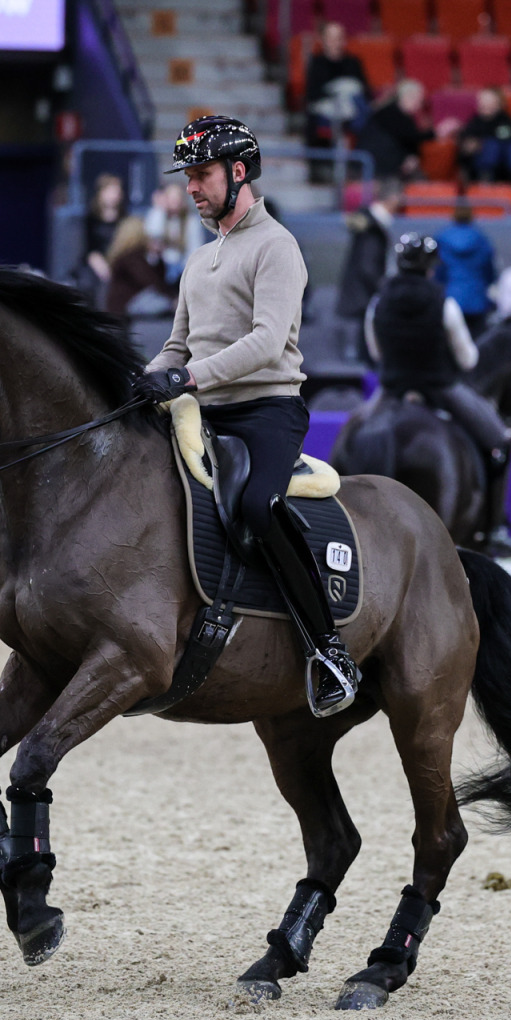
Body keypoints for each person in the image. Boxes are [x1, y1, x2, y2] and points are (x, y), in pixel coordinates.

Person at [134, 115, 358, 717]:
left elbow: (265, 342)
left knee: (258, 505)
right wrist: (142, 380)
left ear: (238, 173)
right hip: (203, 410)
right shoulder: (200, 259)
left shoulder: (277, 246)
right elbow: (177, 347)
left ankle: (329, 649)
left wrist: (186, 377)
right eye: (187, 178)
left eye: (202, 175)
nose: (192, 188)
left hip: (267, 411)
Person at [362, 232, 511, 539]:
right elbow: (469, 360)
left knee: (357, 432)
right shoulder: (444, 304)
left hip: (392, 390)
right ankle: (493, 526)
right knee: (499, 439)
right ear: (431, 267)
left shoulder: (377, 303)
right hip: (439, 387)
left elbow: (376, 352)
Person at [334, 179, 401, 352]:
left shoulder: (368, 222)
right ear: (393, 199)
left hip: (361, 290)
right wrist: (382, 286)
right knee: (364, 350)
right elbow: (367, 265)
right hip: (365, 292)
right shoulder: (373, 229)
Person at [303, 21, 369, 174]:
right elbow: (313, 95)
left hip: (352, 111)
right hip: (326, 110)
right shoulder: (317, 63)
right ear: (324, 40)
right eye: (331, 38)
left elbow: (365, 91)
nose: (335, 42)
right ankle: (319, 167)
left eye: (339, 38)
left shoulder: (353, 62)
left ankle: (357, 166)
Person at [435, 202, 498, 335]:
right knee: (477, 344)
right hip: (477, 299)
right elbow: (489, 272)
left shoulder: (442, 239)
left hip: (451, 298)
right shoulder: (481, 240)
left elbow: (438, 272)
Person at [357, 79, 433, 180]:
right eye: (418, 100)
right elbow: (408, 136)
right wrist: (436, 133)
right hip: (377, 166)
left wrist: (412, 156)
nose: (419, 104)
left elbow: (409, 141)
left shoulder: (404, 115)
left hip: (390, 165)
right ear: (407, 96)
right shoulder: (389, 112)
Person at [100, 215, 176, 316]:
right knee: (166, 304)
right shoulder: (131, 257)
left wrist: (157, 257)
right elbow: (149, 280)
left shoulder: (127, 256)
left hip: (128, 304)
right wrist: (172, 298)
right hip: (126, 305)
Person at [456, 87, 511, 185]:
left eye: (489, 101)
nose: (485, 105)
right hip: (480, 169)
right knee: (490, 147)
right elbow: (464, 145)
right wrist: (469, 147)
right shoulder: (474, 123)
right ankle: (486, 180)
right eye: (483, 101)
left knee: (505, 147)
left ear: (499, 104)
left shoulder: (508, 122)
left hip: (507, 170)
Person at [140, 179, 206, 280]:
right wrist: (160, 210)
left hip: (182, 268)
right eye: (171, 198)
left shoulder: (191, 221)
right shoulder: (157, 215)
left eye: (177, 198)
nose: (174, 202)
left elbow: (195, 250)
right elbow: (151, 242)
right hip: (157, 267)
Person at [81, 173, 127, 297]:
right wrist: (101, 265)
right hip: (96, 262)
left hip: (119, 261)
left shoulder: (125, 219)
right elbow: (89, 250)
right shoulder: (91, 219)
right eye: (110, 191)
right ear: (101, 193)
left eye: (117, 191)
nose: (115, 195)